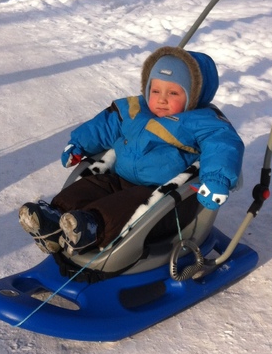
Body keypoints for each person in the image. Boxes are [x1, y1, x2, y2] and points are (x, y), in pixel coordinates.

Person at [19, 46, 244, 255]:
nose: (162, 100)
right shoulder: (135, 108)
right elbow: (104, 126)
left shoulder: (201, 121)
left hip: (159, 195)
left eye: (173, 93)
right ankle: (53, 220)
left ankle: (90, 227)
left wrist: (216, 179)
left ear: (194, 96)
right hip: (119, 177)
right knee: (89, 186)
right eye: (155, 90)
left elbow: (223, 146)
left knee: (127, 205)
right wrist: (79, 144)